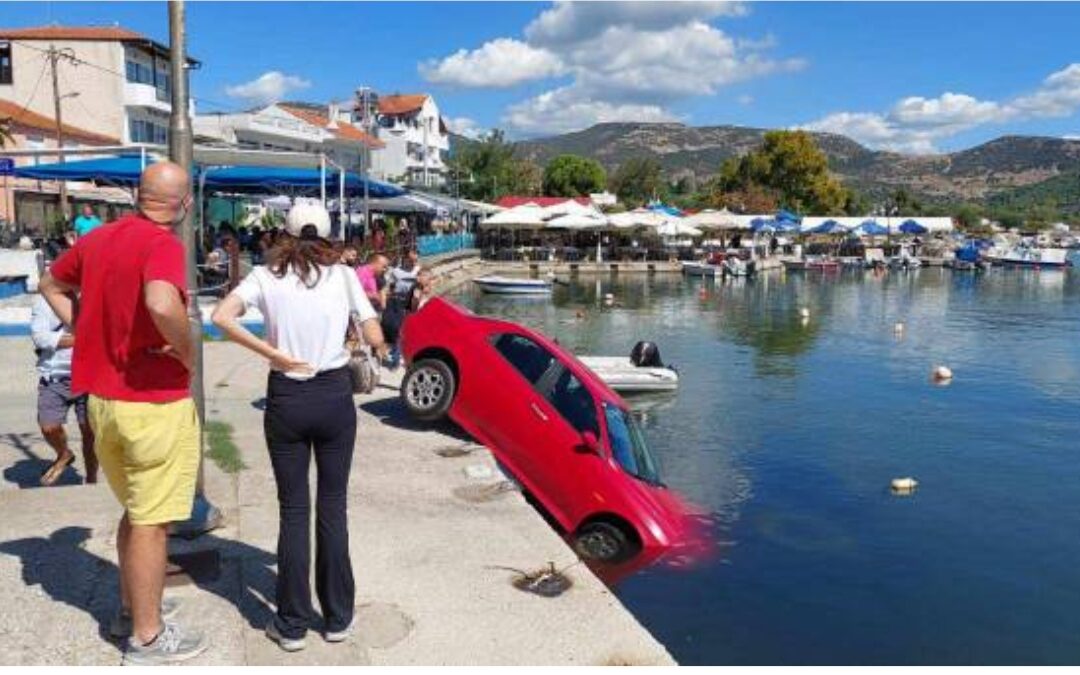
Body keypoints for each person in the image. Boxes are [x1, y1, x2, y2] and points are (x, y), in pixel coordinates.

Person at [38, 161, 207, 665]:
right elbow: (160, 301)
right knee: (154, 523)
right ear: (185, 206)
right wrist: (185, 350)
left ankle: (133, 608)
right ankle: (149, 638)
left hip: (104, 405)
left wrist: (88, 329)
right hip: (150, 406)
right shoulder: (163, 245)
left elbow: (49, 284)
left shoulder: (99, 239)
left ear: (138, 195)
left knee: (137, 513)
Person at [211, 202, 387, 652]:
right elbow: (372, 336)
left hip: (287, 396)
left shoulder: (265, 275)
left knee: (293, 511)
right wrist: (371, 338)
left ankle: (290, 625)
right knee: (333, 507)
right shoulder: (344, 276)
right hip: (333, 398)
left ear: (285, 232)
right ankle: (337, 618)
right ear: (328, 233)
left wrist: (273, 353)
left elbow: (221, 318)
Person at [30, 294, 97, 486]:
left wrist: (60, 339)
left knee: (89, 432)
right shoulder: (44, 301)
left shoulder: (93, 296)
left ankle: (91, 479)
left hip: (89, 376)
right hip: (54, 377)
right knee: (48, 426)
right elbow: (40, 338)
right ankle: (64, 453)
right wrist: (84, 338)